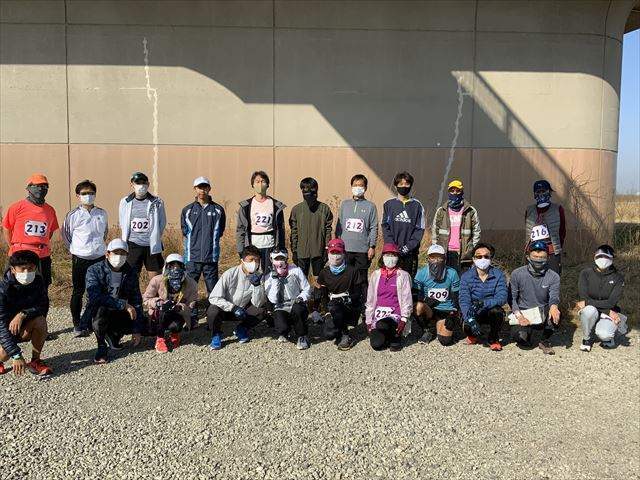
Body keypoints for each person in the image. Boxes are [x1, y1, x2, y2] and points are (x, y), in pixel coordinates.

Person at [82, 239, 145, 364]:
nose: (119, 257)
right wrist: (123, 305)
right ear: (107, 254)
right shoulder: (94, 270)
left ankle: (113, 335)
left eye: (123, 253)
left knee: (148, 326)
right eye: (116, 253)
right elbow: (95, 297)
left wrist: (137, 330)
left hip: (119, 311)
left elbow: (136, 299)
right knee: (100, 310)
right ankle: (101, 346)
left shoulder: (131, 272)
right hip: (100, 310)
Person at [61, 180, 108, 337]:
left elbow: (104, 233)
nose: (88, 196)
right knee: (78, 291)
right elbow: (66, 235)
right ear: (78, 196)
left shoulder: (102, 213)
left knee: (97, 291)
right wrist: (76, 250)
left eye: (91, 193)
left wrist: (97, 248)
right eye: (84, 193)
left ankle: (93, 321)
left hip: (99, 257)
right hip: (80, 258)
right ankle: (77, 323)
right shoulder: (73, 215)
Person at [0, 250, 52, 376]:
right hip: (4, 329)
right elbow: (0, 323)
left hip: (22, 326)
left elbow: (43, 306)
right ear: (13, 269)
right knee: (5, 354)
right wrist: (16, 354)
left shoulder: (38, 282)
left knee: (40, 321)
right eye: (22, 268)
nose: (26, 272)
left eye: (30, 268)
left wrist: (23, 314)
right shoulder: (3, 289)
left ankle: (35, 361)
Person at [2, 173, 59, 288]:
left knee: (42, 288)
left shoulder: (50, 210)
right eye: (37, 186)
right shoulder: (16, 207)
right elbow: (6, 228)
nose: (40, 189)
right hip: (20, 255)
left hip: (42, 256)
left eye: (44, 186)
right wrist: (12, 246)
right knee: (14, 288)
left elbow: (50, 231)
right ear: (28, 188)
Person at [206, 245, 266, 350]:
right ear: (242, 260)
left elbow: (258, 303)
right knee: (212, 310)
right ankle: (216, 334)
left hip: (242, 311)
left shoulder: (258, 276)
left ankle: (242, 328)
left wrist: (257, 286)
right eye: (251, 260)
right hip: (225, 310)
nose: (254, 263)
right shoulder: (230, 274)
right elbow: (214, 297)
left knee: (262, 310)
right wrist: (232, 307)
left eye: (257, 260)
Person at [509, 240, 561, 355]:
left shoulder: (553, 276)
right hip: (523, 311)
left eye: (542, 257)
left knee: (556, 313)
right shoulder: (517, 274)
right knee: (521, 338)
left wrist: (554, 306)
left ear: (548, 258)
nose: (538, 260)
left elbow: (554, 296)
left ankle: (544, 340)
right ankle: (527, 333)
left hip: (543, 310)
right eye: (535, 256)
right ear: (528, 256)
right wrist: (519, 316)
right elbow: (512, 298)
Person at [335, 174, 378, 309]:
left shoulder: (370, 206)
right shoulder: (345, 204)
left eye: (361, 185)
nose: (357, 188)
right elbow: (339, 225)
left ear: (365, 188)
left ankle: (364, 306)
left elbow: (373, 227)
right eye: (355, 185)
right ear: (351, 187)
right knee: (345, 277)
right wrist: (337, 243)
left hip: (362, 250)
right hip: (346, 249)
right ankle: (346, 304)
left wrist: (372, 246)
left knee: (362, 279)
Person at [143, 254, 198, 354]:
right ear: (166, 267)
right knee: (162, 312)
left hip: (178, 313)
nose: (175, 269)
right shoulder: (157, 280)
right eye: (171, 266)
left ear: (183, 268)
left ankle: (175, 333)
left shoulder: (191, 284)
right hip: (160, 312)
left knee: (175, 326)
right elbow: (146, 299)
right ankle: (160, 338)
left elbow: (191, 306)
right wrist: (158, 303)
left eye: (178, 266)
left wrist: (180, 307)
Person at [317, 238, 366, 350]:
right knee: (329, 334)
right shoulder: (324, 273)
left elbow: (359, 292)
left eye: (338, 253)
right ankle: (337, 328)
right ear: (328, 253)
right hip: (332, 306)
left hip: (349, 305)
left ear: (344, 253)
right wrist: (326, 312)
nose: (335, 256)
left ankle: (345, 333)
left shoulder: (353, 271)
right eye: (332, 253)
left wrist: (348, 299)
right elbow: (323, 295)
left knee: (337, 308)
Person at [181, 176, 226, 295]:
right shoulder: (187, 210)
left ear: (209, 188)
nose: (202, 190)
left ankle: (212, 307)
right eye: (199, 187)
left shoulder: (218, 210)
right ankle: (191, 307)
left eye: (205, 187)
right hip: (192, 258)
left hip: (211, 257)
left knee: (213, 291)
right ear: (195, 189)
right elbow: (185, 232)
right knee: (189, 290)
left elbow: (220, 231)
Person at [459, 242, 508, 351]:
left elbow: (502, 297)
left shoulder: (498, 274)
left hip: (490, 310)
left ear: (491, 258)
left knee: (498, 312)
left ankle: (493, 338)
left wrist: (483, 303)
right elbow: (464, 300)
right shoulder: (466, 276)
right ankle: (472, 336)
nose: (483, 259)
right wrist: (470, 319)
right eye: (479, 256)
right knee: (467, 325)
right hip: (473, 310)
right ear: (473, 258)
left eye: (486, 256)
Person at [118, 171, 167, 280]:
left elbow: (162, 222)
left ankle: (154, 293)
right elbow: (122, 221)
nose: (141, 186)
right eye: (138, 183)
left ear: (148, 184)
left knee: (156, 280)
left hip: (152, 246)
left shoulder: (157, 201)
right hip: (133, 245)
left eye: (143, 183)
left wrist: (155, 237)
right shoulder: (125, 202)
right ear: (132, 185)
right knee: (131, 279)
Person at [578, 244, 626, 351]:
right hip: (602, 311)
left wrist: (588, 303)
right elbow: (583, 298)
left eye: (607, 257)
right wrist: (608, 311)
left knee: (605, 334)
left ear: (612, 259)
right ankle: (586, 339)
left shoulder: (618, 278)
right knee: (588, 311)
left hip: (608, 312)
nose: (603, 259)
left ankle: (611, 331)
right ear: (594, 257)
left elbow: (611, 303)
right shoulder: (585, 273)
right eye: (600, 256)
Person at [364, 243, 412, 351]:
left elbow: (407, 299)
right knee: (376, 345)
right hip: (379, 315)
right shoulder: (375, 275)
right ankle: (387, 337)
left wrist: (404, 319)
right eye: (387, 255)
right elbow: (370, 299)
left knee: (383, 324)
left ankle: (395, 337)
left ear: (398, 258)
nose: (390, 258)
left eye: (393, 255)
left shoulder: (403, 275)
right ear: (382, 257)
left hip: (395, 314)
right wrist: (368, 321)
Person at [236, 171, 286, 273]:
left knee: (270, 274)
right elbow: (240, 230)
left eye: (263, 181)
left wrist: (281, 248)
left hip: (270, 245)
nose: (260, 184)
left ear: (267, 185)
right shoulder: (246, 206)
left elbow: (281, 229)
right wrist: (241, 250)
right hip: (252, 246)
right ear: (253, 185)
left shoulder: (276, 205)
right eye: (257, 182)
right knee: (254, 275)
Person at [413, 244, 460, 346]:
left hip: (446, 309)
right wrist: (424, 299)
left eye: (439, 257)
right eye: (433, 257)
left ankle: (439, 324)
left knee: (445, 341)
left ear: (444, 258)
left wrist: (454, 314)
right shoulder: (421, 273)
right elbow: (415, 294)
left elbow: (456, 296)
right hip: (429, 309)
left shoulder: (452, 273)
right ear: (428, 258)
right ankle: (428, 330)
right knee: (418, 306)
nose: (436, 260)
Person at [264, 250, 312, 350]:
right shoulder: (268, 277)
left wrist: (301, 297)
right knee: (281, 327)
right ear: (271, 260)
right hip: (280, 305)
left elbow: (307, 288)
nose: (279, 261)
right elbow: (273, 299)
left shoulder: (296, 270)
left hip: (296, 302)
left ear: (286, 259)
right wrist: (275, 280)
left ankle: (302, 336)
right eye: (276, 259)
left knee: (298, 310)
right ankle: (285, 331)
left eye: (282, 258)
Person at [381, 171, 425, 277]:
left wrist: (407, 247)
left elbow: (419, 229)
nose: (404, 186)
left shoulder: (417, 205)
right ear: (395, 186)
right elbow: (385, 226)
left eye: (407, 184)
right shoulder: (388, 204)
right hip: (391, 253)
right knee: (391, 281)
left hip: (410, 253)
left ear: (411, 186)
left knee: (408, 282)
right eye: (401, 184)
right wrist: (392, 246)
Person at [431, 179, 481, 272]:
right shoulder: (441, 211)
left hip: (464, 255)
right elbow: (435, 231)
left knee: (463, 279)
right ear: (449, 192)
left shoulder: (470, 211)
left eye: (458, 191)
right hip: (445, 253)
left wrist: (471, 248)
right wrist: (436, 249)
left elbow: (476, 232)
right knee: (447, 278)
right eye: (452, 190)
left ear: (462, 192)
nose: (455, 193)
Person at [290, 177, 333, 278]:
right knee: (301, 279)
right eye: (305, 189)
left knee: (319, 279)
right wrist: (294, 250)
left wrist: (327, 248)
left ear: (316, 189)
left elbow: (328, 230)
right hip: (301, 252)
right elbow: (294, 231)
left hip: (319, 251)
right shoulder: (297, 210)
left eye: (311, 189)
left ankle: (318, 289)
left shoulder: (324, 209)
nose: (308, 192)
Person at [524, 180, 566, 275]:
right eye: (538, 192)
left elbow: (562, 231)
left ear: (549, 192)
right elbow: (528, 230)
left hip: (551, 252)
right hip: (533, 251)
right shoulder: (529, 210)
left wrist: (557, 247)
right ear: (534, 194)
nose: (541, 194)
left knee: (552, 277)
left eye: (543, 191)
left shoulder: (557, 209)